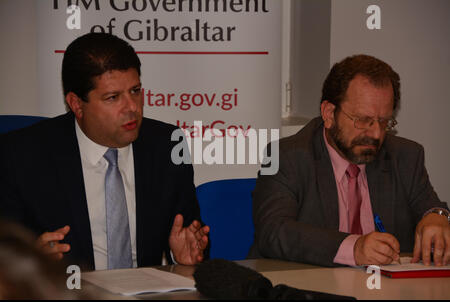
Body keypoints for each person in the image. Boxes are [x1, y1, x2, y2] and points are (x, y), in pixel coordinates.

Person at [0, 32, 209, 271]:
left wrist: (181, 253)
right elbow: (6, 253)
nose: (132, 107)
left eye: (135, 90)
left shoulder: (167, 145)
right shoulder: (21, 156)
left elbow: (191, 233)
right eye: (113, 97)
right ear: (77, 104)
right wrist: (29, 262)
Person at [248, 54, 450, 267]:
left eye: (383, 121)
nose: (375, 134)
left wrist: (437, 217)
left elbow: (431, 208)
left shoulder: (405, 156)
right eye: (363, 120)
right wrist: (353, 248)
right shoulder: (284, 156)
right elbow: (273, 231)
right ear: (328, 113)